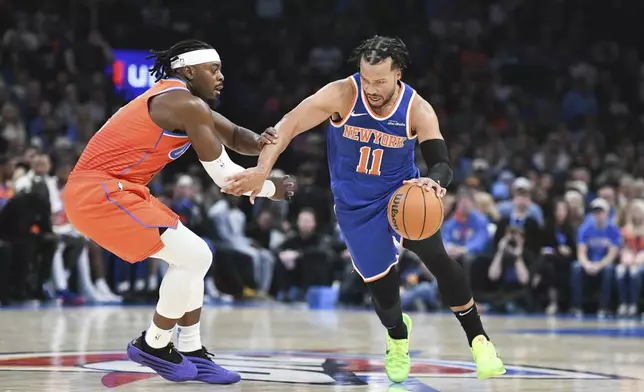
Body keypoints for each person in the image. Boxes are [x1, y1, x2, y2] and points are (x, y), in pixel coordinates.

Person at [223, 35, 505, 382]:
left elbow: (441, 163)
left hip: (401, 196)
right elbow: (288, 125)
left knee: (439, 261)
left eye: (380, 81)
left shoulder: (417, 108)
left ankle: (480, 341)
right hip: (355, 208)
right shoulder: (342, 94)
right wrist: (261, 170)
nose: (371, 87)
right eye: (366, 78)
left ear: (398, 73)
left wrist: (434, 182)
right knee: (384, 294)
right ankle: (398, 337)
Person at [62, 40, 293, 384]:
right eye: (213, 70)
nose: (221, 77)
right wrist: (273, 187)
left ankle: (193, 352)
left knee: (194, 259)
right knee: (196, 254)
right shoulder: (182, 102)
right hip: (98, 190)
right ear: (188, 71)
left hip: (123, 190)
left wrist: (264, 143)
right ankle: (153, 343)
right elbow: (225, 177)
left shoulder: (184, 101)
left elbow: (234, 136)